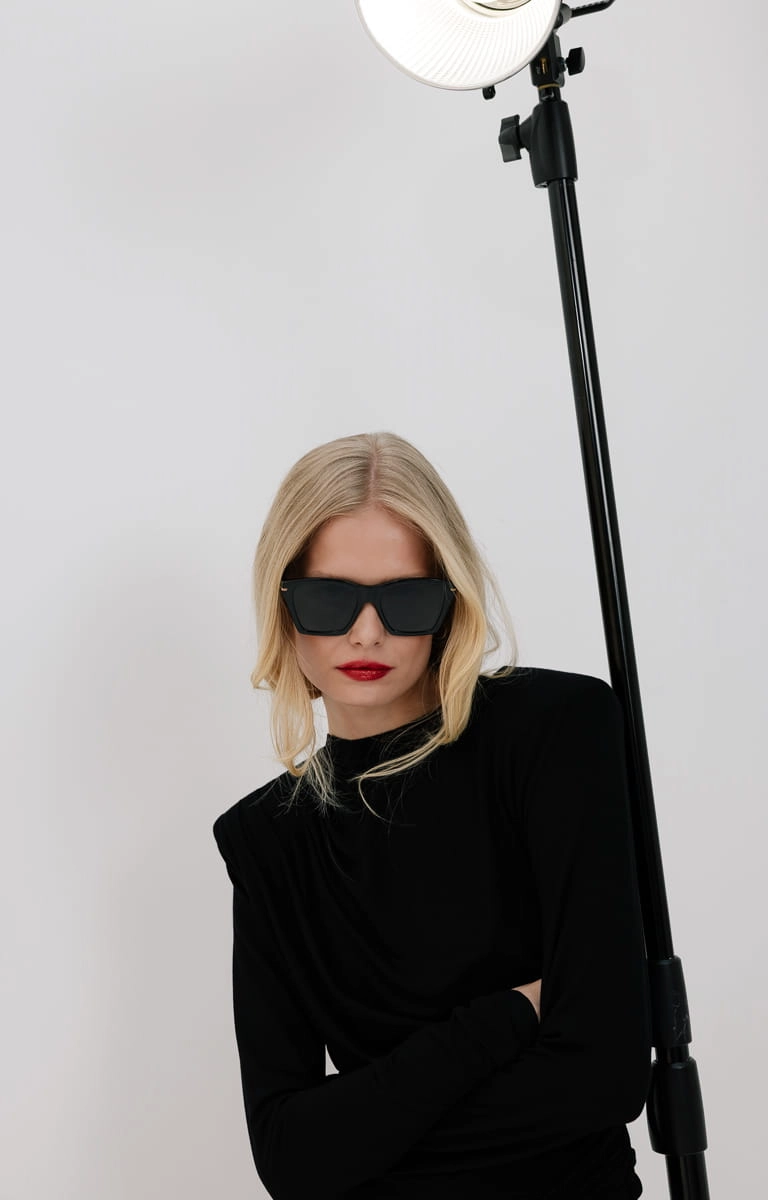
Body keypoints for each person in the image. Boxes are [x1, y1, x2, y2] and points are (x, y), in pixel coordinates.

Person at [212, 430, 652, 1199]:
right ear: (283, 607)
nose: (367, 632)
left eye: (405, 598)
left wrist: (364, 1133)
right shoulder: (266, 838)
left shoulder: (555, 732)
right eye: (330, 599)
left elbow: (603, 1078)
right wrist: (507, 1018)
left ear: (449, 604)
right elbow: (289, 1157)